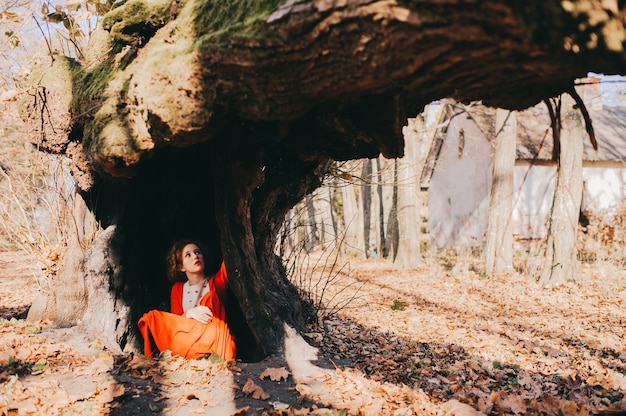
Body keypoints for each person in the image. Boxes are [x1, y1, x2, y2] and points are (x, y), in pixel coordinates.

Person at [138, 239, 236, 361]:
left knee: (210, 298)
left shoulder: (216, 282)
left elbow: (231, 260)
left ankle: (206, 355)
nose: (195, 256)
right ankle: (152, 361)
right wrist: (190, 313)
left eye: (197, 252)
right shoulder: (178, 288)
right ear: (181, 267)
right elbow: (176, 322)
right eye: (188, 255)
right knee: (151, 317)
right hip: (188, 341)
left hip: (213, 341)